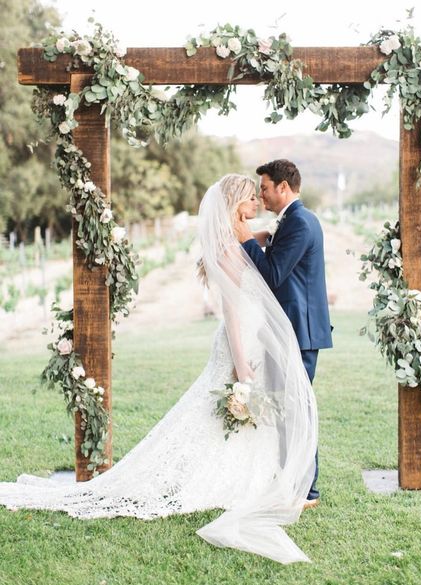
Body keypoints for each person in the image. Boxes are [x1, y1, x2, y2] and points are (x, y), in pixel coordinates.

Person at [0, 174, 318, 565]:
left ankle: (244, 476)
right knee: (222, 407)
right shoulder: (228, 252)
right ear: (237, 204)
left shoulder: (237, 241)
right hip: (240, 342)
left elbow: (256, 252)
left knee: (220, 414)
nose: (256, 204)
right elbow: (234, 314)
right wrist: (244, 371)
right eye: (251, 198)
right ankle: (216, 480)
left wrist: (262, 234)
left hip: (250, 339)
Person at [234, 160, 333, 507]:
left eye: (263, 188)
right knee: (286, 409)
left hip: (299, 332)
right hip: (287, 330)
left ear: (283, 187)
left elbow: (273, 275)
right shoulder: (291, 220)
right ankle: (291, 481)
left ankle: (307, 490)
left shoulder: (300, 223)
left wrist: (247, 242)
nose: (260, 195)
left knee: (297, 410)